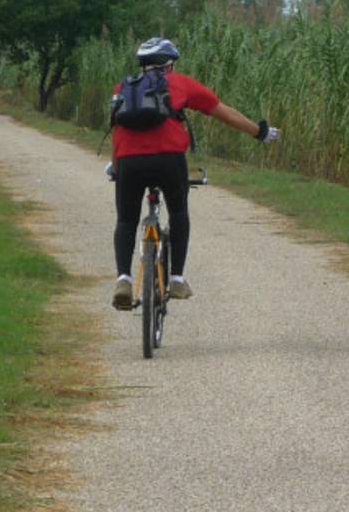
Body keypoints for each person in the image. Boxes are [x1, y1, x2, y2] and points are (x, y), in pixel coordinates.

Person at [110, 37, 279, 309]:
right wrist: (258, 132)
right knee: (178, 212)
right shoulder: (181, 83)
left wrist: (116, 168)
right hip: (169, 160)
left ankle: (123, 280)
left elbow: (117, 131)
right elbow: (224, 113)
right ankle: (176, 278)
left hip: (129, 161)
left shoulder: (124, 87)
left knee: (126, 220)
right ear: (169, 64)